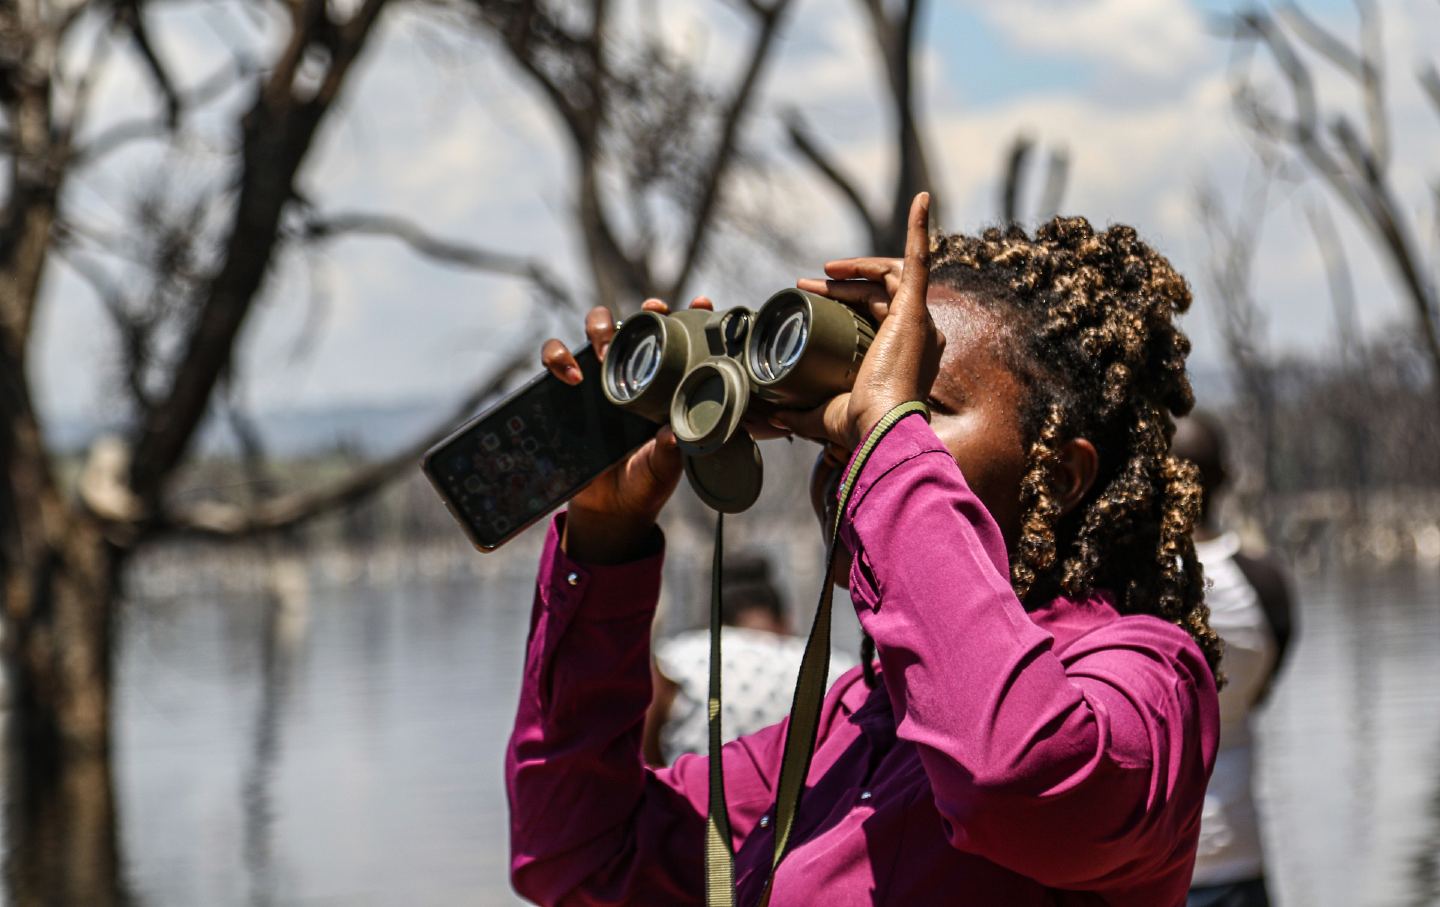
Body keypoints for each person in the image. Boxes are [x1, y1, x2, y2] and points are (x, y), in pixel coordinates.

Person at [507, 194, 1221, 905]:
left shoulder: (1147, 683)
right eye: (851, 406)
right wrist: (605, 538)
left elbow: (1013, 775)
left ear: (1060, 475)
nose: (852, 436)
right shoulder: (852, 723)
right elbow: (581, 856)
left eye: (918, 407)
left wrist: (887, 438)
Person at [1173, 412, 1295, 907]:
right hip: (1241, 854)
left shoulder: (1132, 584)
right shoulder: (1265, 583)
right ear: (1225, 476)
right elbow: (1263, 690)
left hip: (1154, 866)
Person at [641, 555, 858, 766]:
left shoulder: (678, 660)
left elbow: (643, 756)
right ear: (785, 619)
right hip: (813, 798)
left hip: (699, 796)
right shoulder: (837, 668)